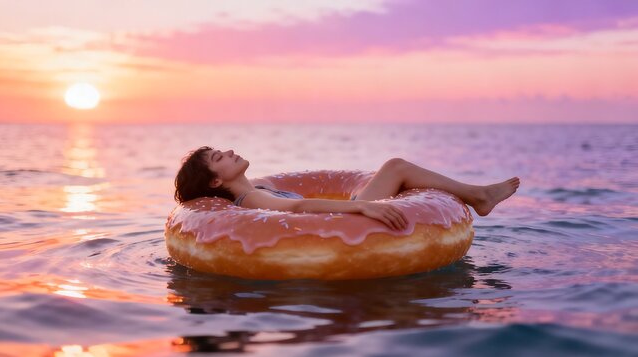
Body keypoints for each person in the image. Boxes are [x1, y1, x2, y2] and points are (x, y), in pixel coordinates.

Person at [174, 146, 520, 232]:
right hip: (343, 220)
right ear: (216, 181)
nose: (230, 152)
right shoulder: (252, 197)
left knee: (396, 167)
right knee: (396, 166)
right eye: (220, 157)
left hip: (342, 210)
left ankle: (478, 195)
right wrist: (362, 207)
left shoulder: (259, 185)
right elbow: (295, 209)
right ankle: (478, 196)